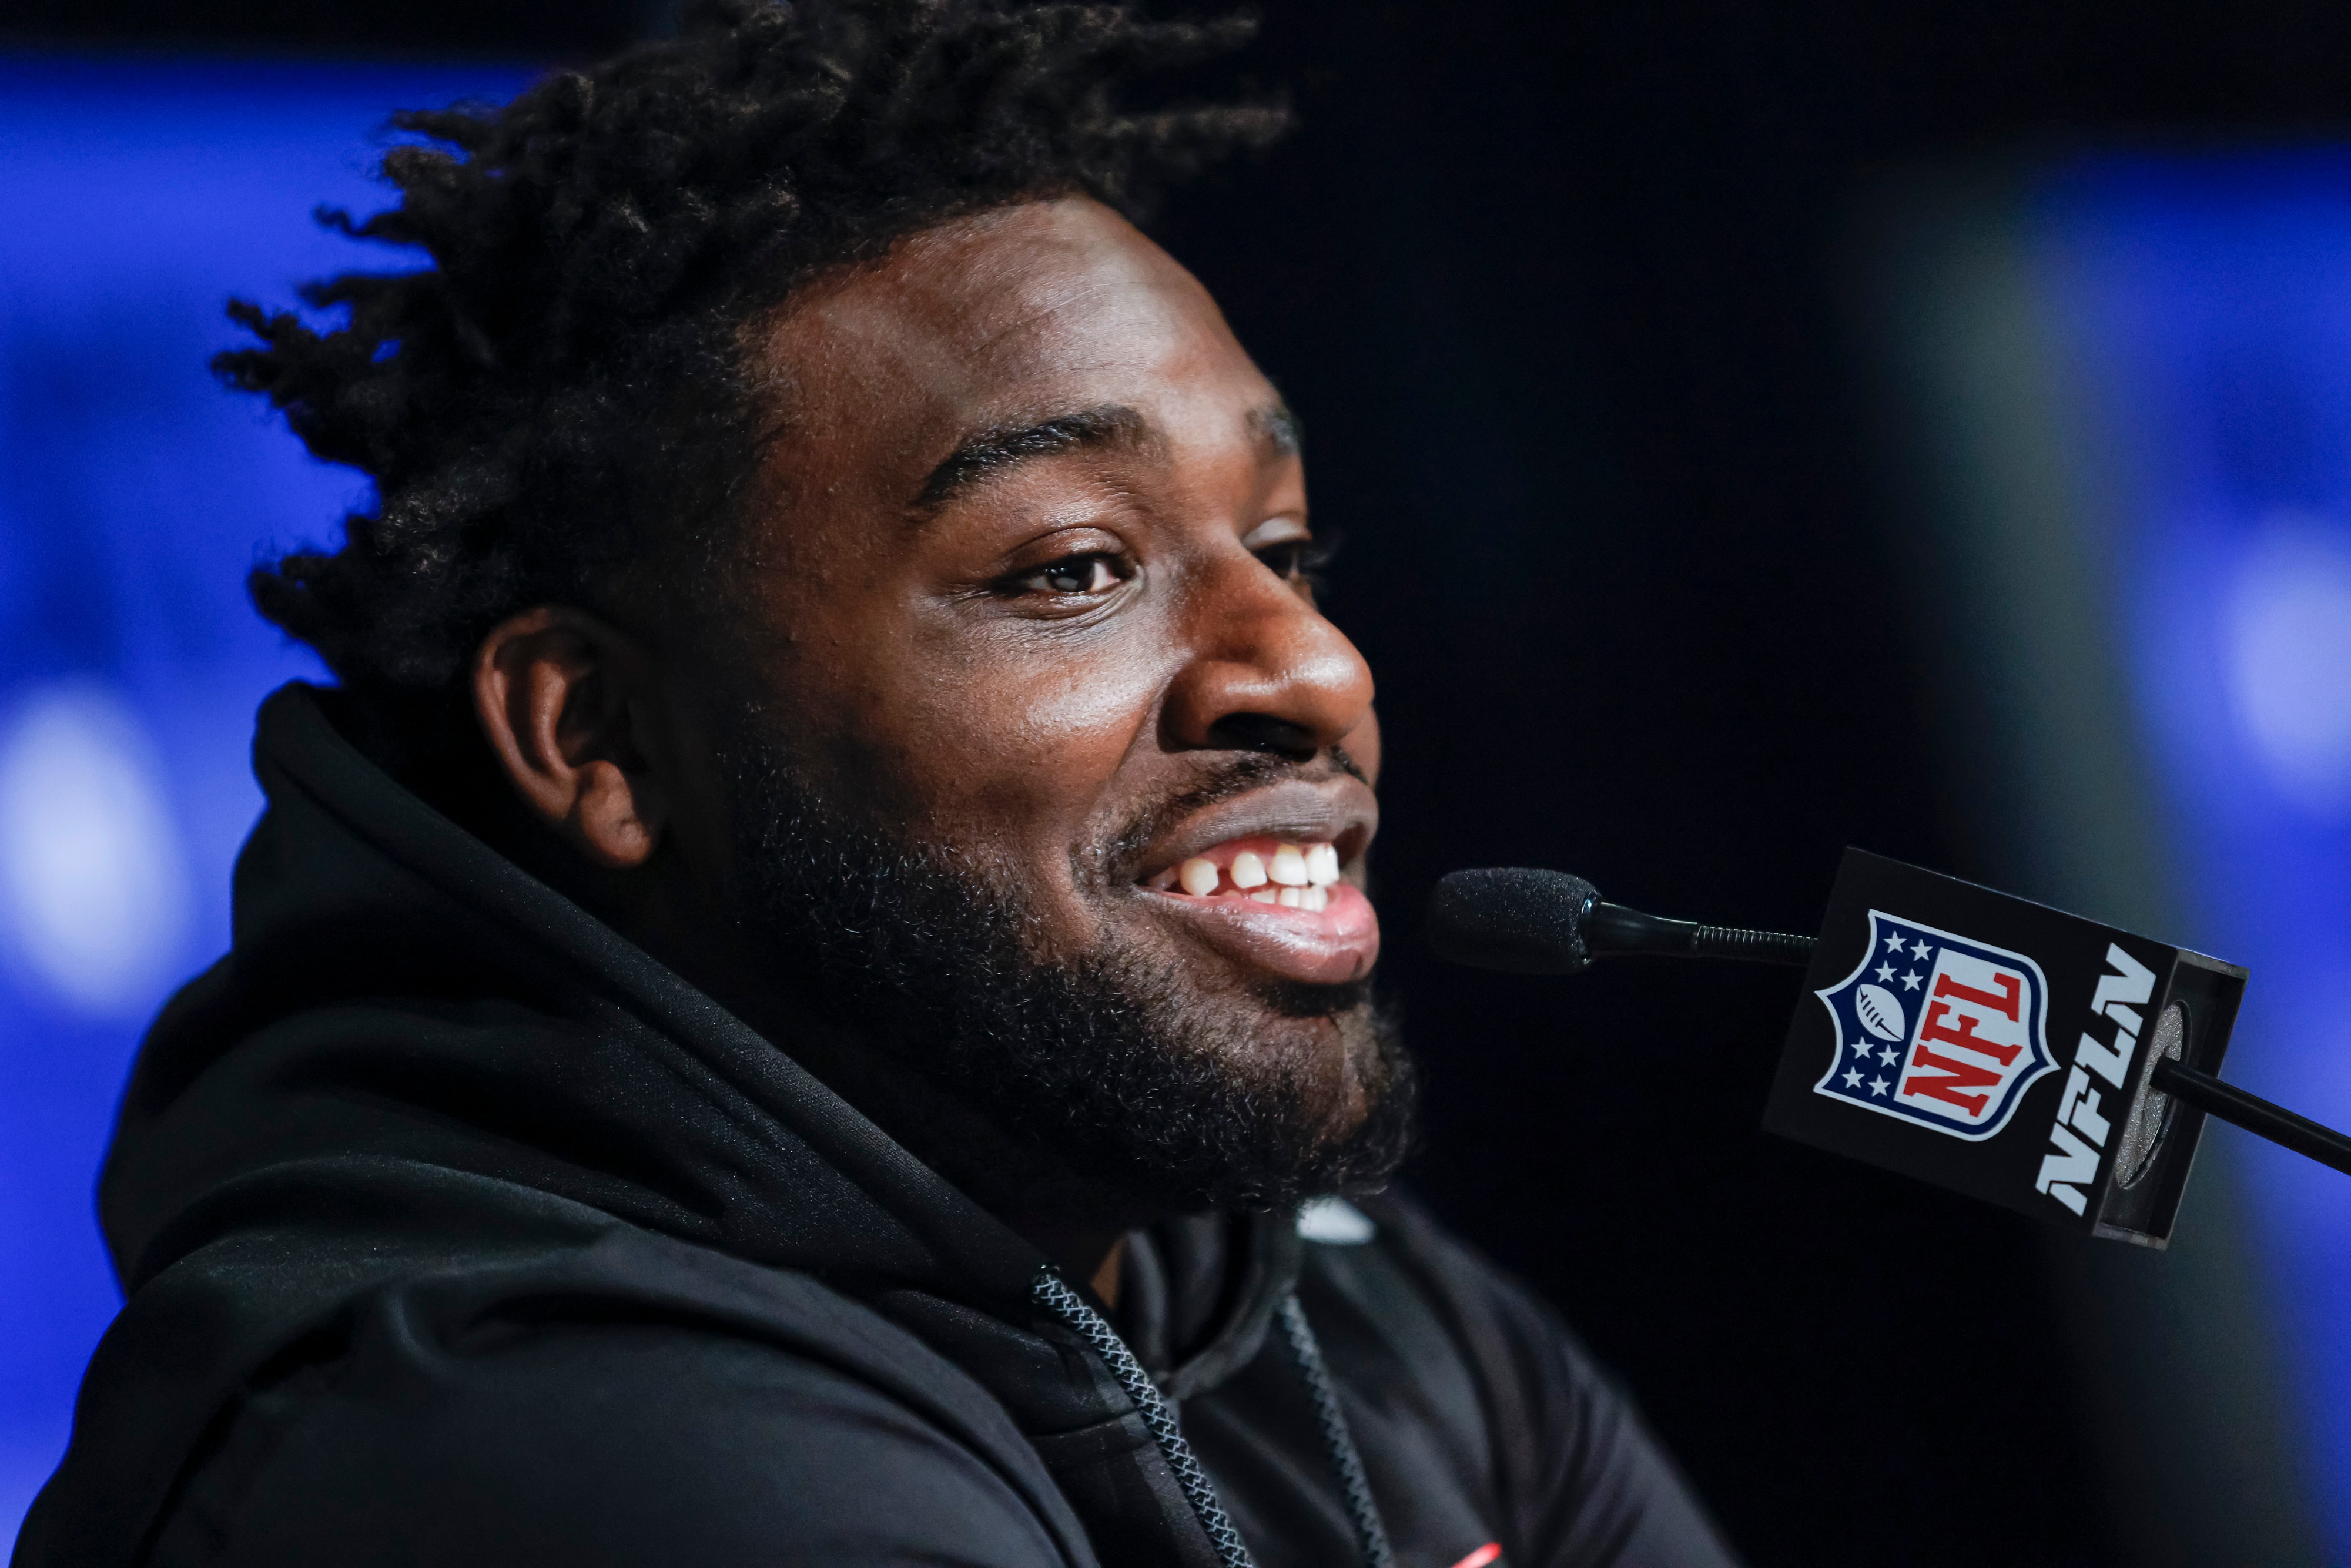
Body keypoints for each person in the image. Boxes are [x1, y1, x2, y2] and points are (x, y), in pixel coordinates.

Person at [15, 5, 1739, 1565]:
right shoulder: (545, 1450)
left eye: (1283, 550)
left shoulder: (1332, 1297)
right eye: (1074, 567)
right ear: (602, 739)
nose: (1314, 668)